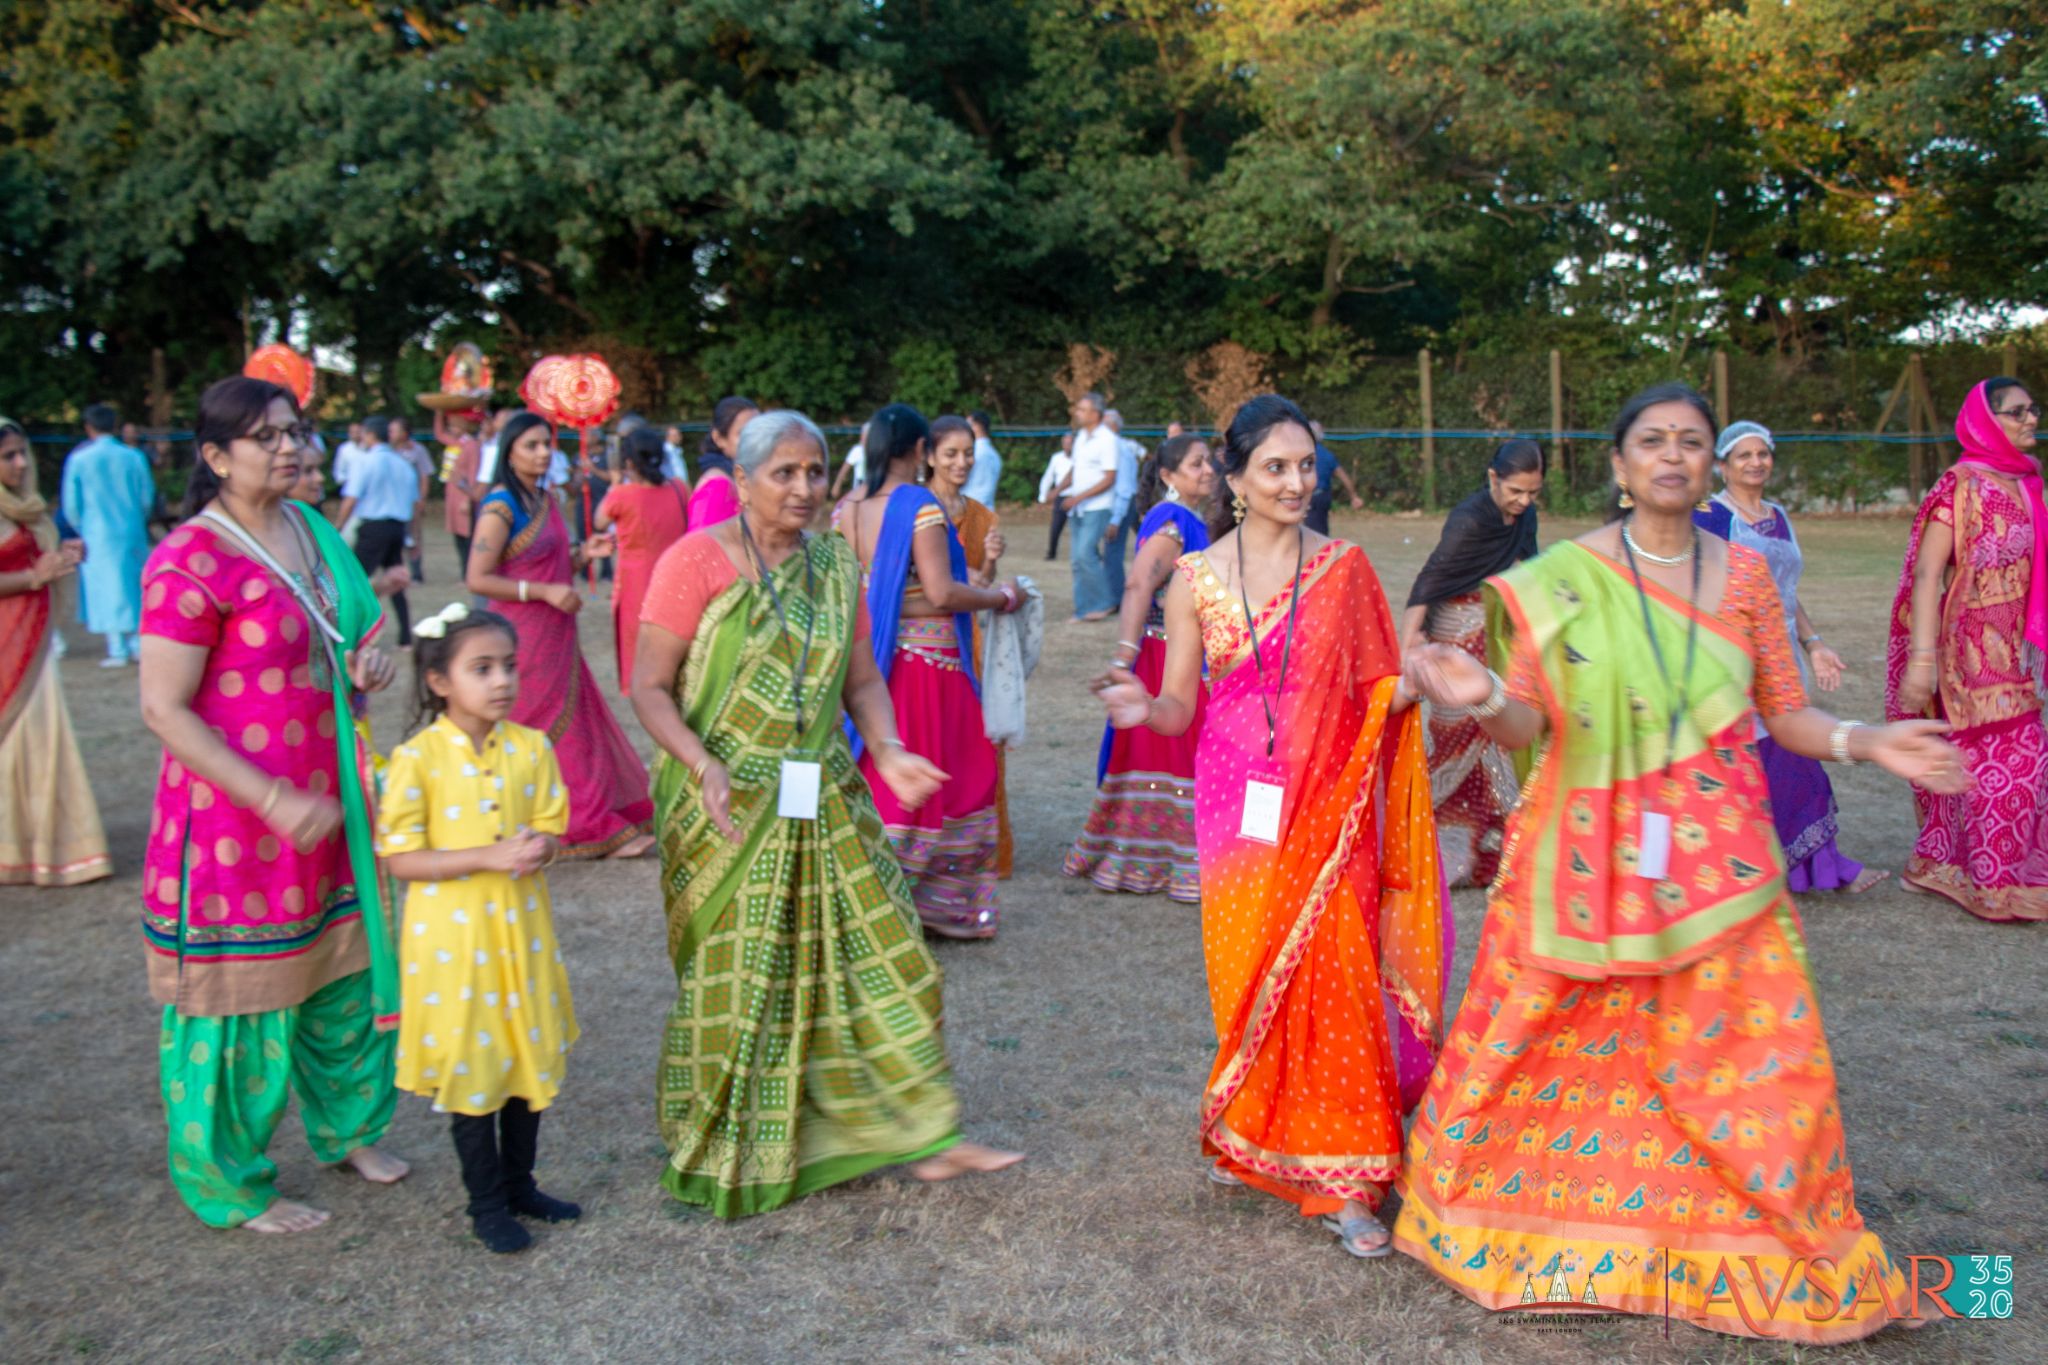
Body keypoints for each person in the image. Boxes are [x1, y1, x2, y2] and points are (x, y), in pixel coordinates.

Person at [1393, 382, 1968, 1340]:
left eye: (1691, 443)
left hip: (1721, 862)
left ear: (1709, 466)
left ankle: (1783, 1242)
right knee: (1535, 1045)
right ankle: (1537, 1231)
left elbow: (1785, 713)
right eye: (1651, 442)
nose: (1673, 456)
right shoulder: (1566, 576)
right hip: (1577, 854)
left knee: (1761, 1062)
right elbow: (1528, 721)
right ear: (1619, 469)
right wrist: (1482, 688)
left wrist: (1869, 740)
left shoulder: (1744, 579)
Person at [629, 408, 1023, 1216]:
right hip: (726, 809)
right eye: (784, 473)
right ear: (741, 481)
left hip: (826, 795)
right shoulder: (693, 563)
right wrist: (702, 763)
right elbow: (649, 687)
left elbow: (861, 682)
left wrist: (885, 748)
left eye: (815, 472)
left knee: (896, 958)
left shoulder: (834, 567)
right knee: (744, 985)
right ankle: (736, 1141)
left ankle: (924, 1134)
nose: (806, 488)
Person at [1094, 394, 1446, 1260]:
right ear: (1239, 478)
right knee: (1249, 972)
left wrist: (1429, 680)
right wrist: (1146, 705)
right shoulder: (1197, 576)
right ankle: (1252, 1124)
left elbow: (1379, 688)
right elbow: (1181, 705)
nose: (1298, 481)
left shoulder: (1347, 568)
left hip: (1332, 796)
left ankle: (1346, 1177)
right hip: (1236, 800)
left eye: (1306, 465)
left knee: (1338, 970)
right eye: (1276, 468)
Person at [139, 376, 411, 1233]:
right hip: (233, 822)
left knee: (345, 970)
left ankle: (349, 1129)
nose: (292, 448)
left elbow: (355, 634)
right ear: (217, 457)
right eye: (268, 437)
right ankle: (232, 1181)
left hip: (329, 800)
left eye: (296, 431)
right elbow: (163, 708)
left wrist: (369, 667)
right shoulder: (188, 559)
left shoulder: (311, 527)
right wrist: (269, 797)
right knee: (241, 1003)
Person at [379, 604, 581, 1254]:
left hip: (520, 938)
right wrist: (486, 856)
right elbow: (401, 858)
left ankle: (522, 1183)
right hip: (454, 949)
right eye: (482, 668)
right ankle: (486, 1203)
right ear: (440, 680)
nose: (501, 681)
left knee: (524, 1055)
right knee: (474, 1067)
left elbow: (555, 826)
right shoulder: (416, 759)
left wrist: (540, 848)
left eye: (509, 667)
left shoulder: (531, 747)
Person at [835, 403, 1024, 939]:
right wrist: (1000, 596)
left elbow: (865, 591)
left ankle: (875, 905)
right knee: (957, 777)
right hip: (930, 665)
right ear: (920, 451)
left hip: (873, 660)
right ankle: (938, 908)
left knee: (886, 776)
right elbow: (942, 592)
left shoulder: (849, 507)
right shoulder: (919, 506)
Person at [1700, 422, 1885, 895]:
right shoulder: (1712, 517)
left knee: (1787, 754)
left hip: (1781, 653)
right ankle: (1803, 866)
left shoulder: (1778, 515)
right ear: (1723, 465)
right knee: (1780, 759)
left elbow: (1787, 593)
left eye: (1763, 454)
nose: (1756, 462)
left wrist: (1814, 643)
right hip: (1736, 658)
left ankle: (1805, 866)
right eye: (1744, 455)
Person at [1889, 376, 2048, 922]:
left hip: (2014, 647)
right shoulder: (1958, 486)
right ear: (1986, 420)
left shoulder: (2026, 482)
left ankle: (1939, 864)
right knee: (2012, 755)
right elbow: (1930, 574)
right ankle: (1991, 881)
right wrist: (1923, 661)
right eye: (2017, 412)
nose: (2031, 419)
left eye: (2033, 410)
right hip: (1967, 650)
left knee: (1998, 757)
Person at [466, 411, 655, 859]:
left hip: (557, 632)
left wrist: (582, 556)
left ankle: (586, 816)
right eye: (531, 445)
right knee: (543, 727)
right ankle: (577, 824)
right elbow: (478, 577)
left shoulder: (544, 499)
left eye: (546, 444)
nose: (543, 452)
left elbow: (550, 564)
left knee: (575, 724)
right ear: (509, 452)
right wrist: (543, 591)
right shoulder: (500, 506)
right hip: (520, 636)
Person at [1064, 433, 1215, 903]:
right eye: (1196, 464)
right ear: (1169, 476)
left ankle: (1169, 856)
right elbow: (1137, 585)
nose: (1207, 470)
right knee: (1171, 754)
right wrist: (1124, 656)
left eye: (1210, 461)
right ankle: (1157, 858)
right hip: (1164, 656)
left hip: (1182, 653)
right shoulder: (1172, 522)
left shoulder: (1188, 520)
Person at [1398, 439, 1545, 888]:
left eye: (1533, 493)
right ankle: (1446, 846)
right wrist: (1409, 642)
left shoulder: (1525, 517)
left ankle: (1500, 841)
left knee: (1499, 728)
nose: (1523, 502)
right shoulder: (1469, 519)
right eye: (1515, 491)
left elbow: (1531, 567)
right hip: (1455, 630)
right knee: (1456, 731)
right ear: (1492, 478)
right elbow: (1432, 577)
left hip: (1499, 631)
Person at [0, 417, 110, 886]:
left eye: (23, 452)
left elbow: (36, 561)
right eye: (8, 456)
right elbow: (28, 572)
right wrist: (33, 577)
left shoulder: (27, 508)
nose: (22, 464)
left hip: (35, 638)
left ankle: (47, 846)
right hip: (9, 643)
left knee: (41, 740)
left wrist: (61, 559)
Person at [927, 414, 1012, 876]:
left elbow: (977, 583)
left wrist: (992, 563)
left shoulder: (981, 516)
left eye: (967, 454)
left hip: (970, 639)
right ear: (929, 456)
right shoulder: (918, 509)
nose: (961, 462)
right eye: (951, 454)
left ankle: (981, 848)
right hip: (925, 639)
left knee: (980, 737)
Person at [595, 427, 691, 693]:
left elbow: (599, 521)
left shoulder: (621, 495)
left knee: (636, 638)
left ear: (628, 463)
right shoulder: (680, 489)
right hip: (675, 576)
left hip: (636, 579)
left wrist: (615, 482)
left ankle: (642, 688)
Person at [60, 402, 155, 667]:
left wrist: (81, 527)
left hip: (96, 530)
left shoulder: (80, 459)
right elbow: (146, 495)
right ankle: (138, 642)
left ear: (88, 428)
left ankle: (117, 647)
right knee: (133, 583)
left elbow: (71, 504)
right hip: (131, 527)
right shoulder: (133, 456)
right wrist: (138, 519)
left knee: (105, 587)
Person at [334, 415, 420, 646]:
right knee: (397, 580)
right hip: (397, 527)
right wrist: (414, 539)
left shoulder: (365, 461)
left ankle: (352, 633)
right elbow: (414, 505)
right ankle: (405, 636)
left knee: (356, 580)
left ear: (370, 435)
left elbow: (351, 498)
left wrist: (338, 526)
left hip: (373, 527)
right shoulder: (403, 464)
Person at [1065, 394, 1120, 621]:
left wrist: (1079, 498)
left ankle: (1103, 603)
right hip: (1078, 508)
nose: (1077, 412)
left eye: (1082, 409)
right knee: (1077, 559)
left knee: (1084, 554)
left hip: (1097, 507)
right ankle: (1083, 609)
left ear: (1095, 414)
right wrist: (1057, 491)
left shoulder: (1107, 439)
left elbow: (1109, 478)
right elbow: (1075, 470)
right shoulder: (1080, 438)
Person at [687, 395, 759, 531]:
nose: (754, 441)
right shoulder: (718, 486)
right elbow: (702, 547)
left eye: (759, 433)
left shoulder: (739, 476)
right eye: (744, 433)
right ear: (719, 438)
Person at [433, 409, 484, 576]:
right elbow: (439, 434)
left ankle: (469, 572)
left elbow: (473, 472)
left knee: (468, 535)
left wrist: (468, 499)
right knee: (457, 534)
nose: (451, 429)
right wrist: (439, 412)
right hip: (453, 493)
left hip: (464, 494)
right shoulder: (455, 443)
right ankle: (464, 572)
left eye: (454, 425)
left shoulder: (472, 445)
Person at [1101, 408, 1143, 603]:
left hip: (1122, 506)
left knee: (1113, 554)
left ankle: (1117, 598)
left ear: (1114, 427)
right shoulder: (1114, 448)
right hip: (1119, 504)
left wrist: (1116, 518)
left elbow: (1125, 488)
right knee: (1109, 553)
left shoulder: (1119, 449)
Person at [389, 417, 436, 582]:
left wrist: (422, 499)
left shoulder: (418, 450)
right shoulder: (387, 451)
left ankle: (416, 574)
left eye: (394, 430)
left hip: (411, 501)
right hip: (392, 502)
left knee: (414, 537)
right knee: (395, 537)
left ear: (404, 433)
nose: (391, 434)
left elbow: (424, 476)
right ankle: (398, 572)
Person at [1305, 420, 1364, 535]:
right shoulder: (1328, 455)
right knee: (1322, 529)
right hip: (1323, 497)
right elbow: (1343, 477)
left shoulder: (1303, 454)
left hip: (1309, 497)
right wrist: (1354, 496)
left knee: (1310, 532)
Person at [1039, 433, 1074, 560]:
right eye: (1065, 443)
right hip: (1061, 496)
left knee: (1080, 527)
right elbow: (1048, 477)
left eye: (1069, 443)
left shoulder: (1081, 458)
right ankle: (1052, 552)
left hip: (1077, 497)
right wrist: (1043, 496)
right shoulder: (1056, 458)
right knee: (1055, 527)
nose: (1067, 446)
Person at [964, 410, 1003, 508]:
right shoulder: (993, 454)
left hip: (974, 511)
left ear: (978, 426)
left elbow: (980, 491)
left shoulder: (978, 453)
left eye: (968, 425)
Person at [831, 420, 871, 502]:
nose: (863, 438)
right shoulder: (857, 450)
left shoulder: (878, 452)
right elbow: (845, 468)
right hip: (859, 491)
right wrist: (837, 485)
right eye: (863, 435)